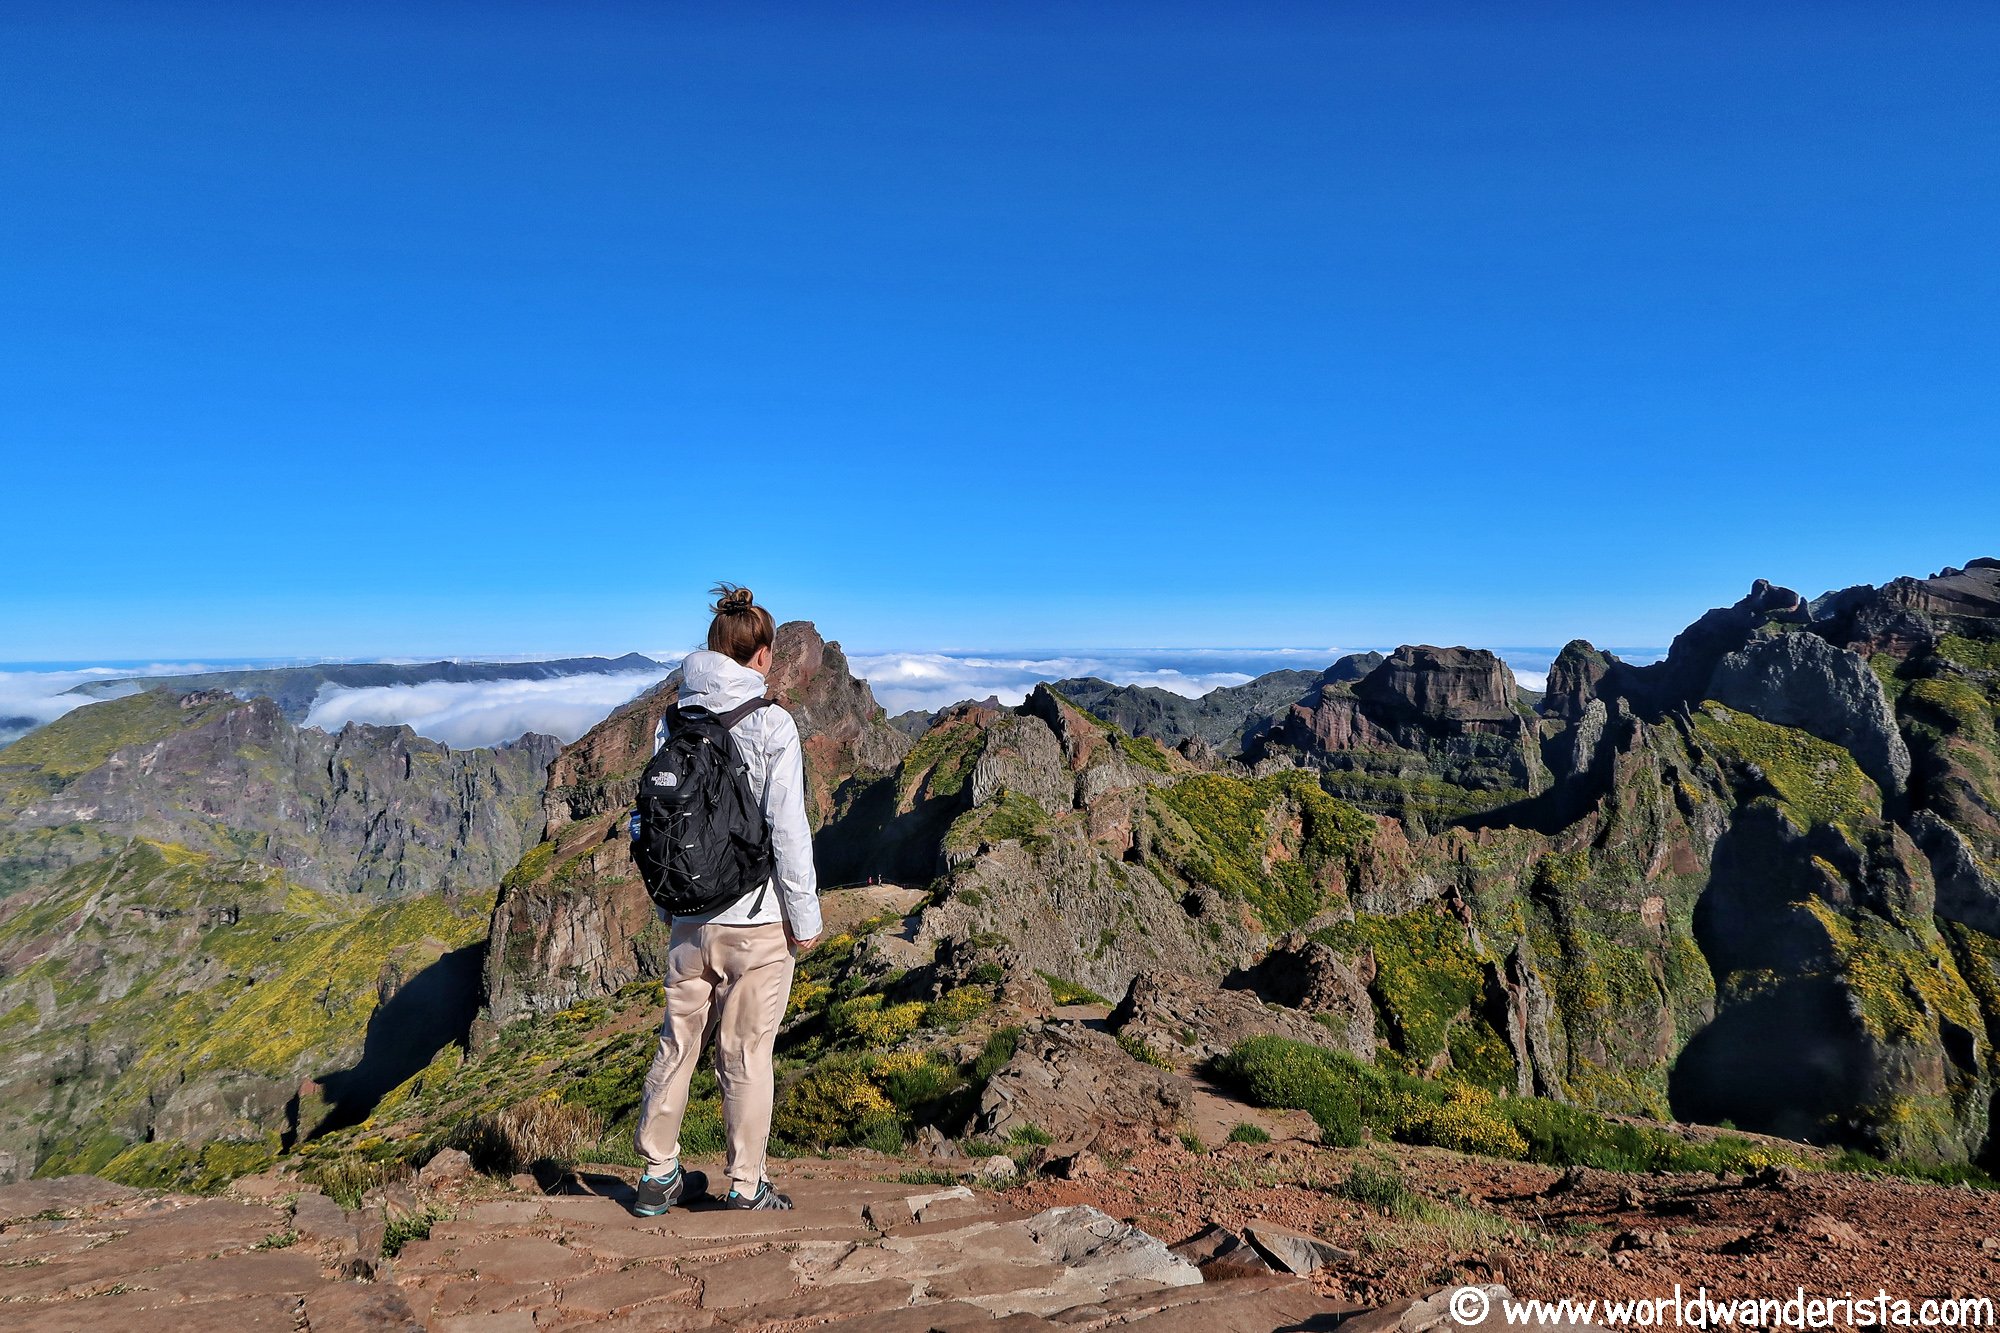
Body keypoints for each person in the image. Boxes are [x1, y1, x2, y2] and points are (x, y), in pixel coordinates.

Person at [630, 584, 821, 1215]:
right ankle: (745, 1185)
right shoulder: (771, 723)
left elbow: (653, 821)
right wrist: (805, 918)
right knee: (744, 1052)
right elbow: (788, 828)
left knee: (676, 1044)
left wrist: (668, 904)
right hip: (757, 921)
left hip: (688, 919)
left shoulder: (673, 721)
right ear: (761, 654)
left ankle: (658, 1174)